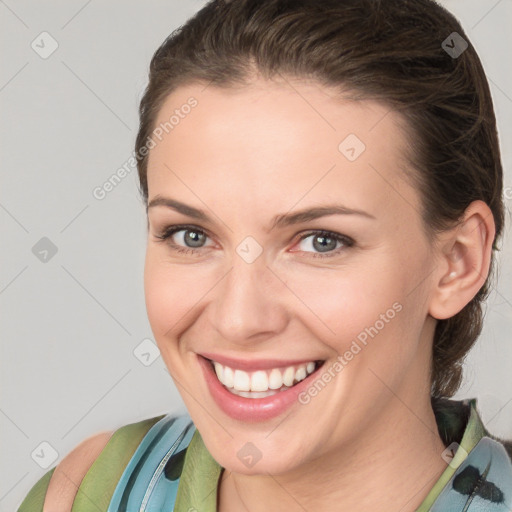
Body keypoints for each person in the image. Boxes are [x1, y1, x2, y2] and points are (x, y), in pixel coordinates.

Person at [17, 0, 512, 510]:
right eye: (191, 235)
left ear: (456, 262)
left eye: (321, 241)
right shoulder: (86, 494)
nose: (238, 319)